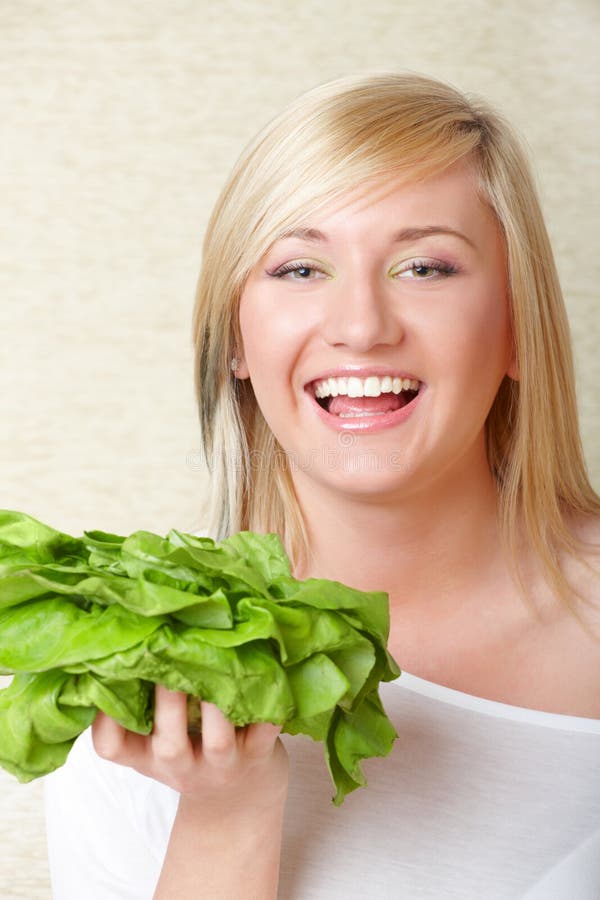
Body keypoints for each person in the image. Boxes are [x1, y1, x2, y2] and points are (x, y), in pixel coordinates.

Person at [44, 73, 600, 899]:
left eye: (425, 266)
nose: (361, 326)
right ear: (235, 338)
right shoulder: (136, 688)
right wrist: (228, 815)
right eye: (300, 270)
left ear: (519, 328)